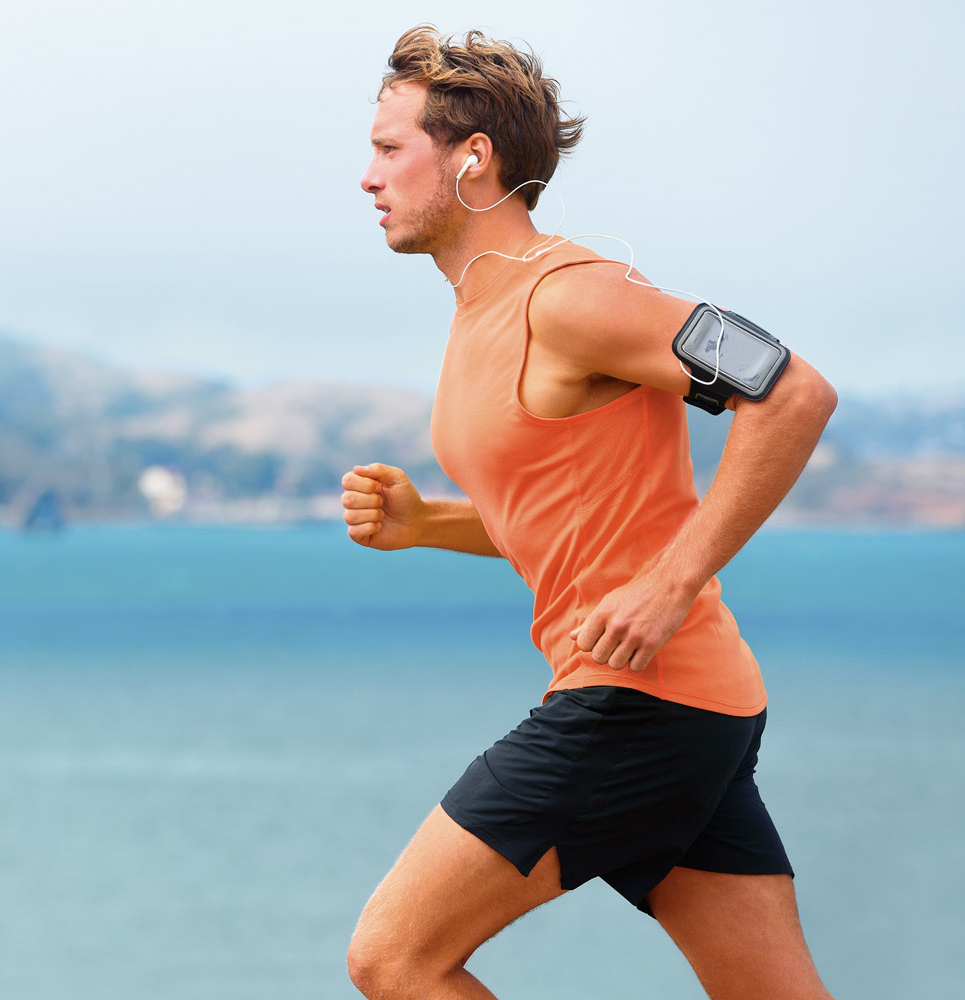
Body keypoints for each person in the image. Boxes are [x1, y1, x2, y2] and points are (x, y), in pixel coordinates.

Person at [342, 25, 838, 1000]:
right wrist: (427, 523)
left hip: (636, 702)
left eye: (389, 148)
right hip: (693, 706)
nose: (368, 177)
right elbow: (567, 516)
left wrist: (669, 582)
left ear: (472, 157)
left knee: (395, 958)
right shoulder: (483, 309)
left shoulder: (574, 297)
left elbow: (792, 393)